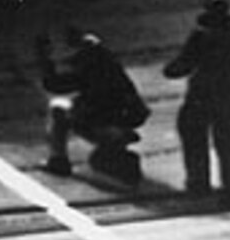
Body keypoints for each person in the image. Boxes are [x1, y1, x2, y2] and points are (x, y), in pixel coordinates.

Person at [163, 0, 230, 207]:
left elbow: (181, 65)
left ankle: (199, 187)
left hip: (201, 97)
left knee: (194, 140)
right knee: (229, 147)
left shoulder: (201, 36)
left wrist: (171, 69)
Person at [38, 26, 149, 185]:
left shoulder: (87, 68)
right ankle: (114, 151)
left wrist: (44, 61)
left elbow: (54, 85)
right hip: (125, 118)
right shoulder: (109, 63)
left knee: (58, 108)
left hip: (104, 122)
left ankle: (58, 160)